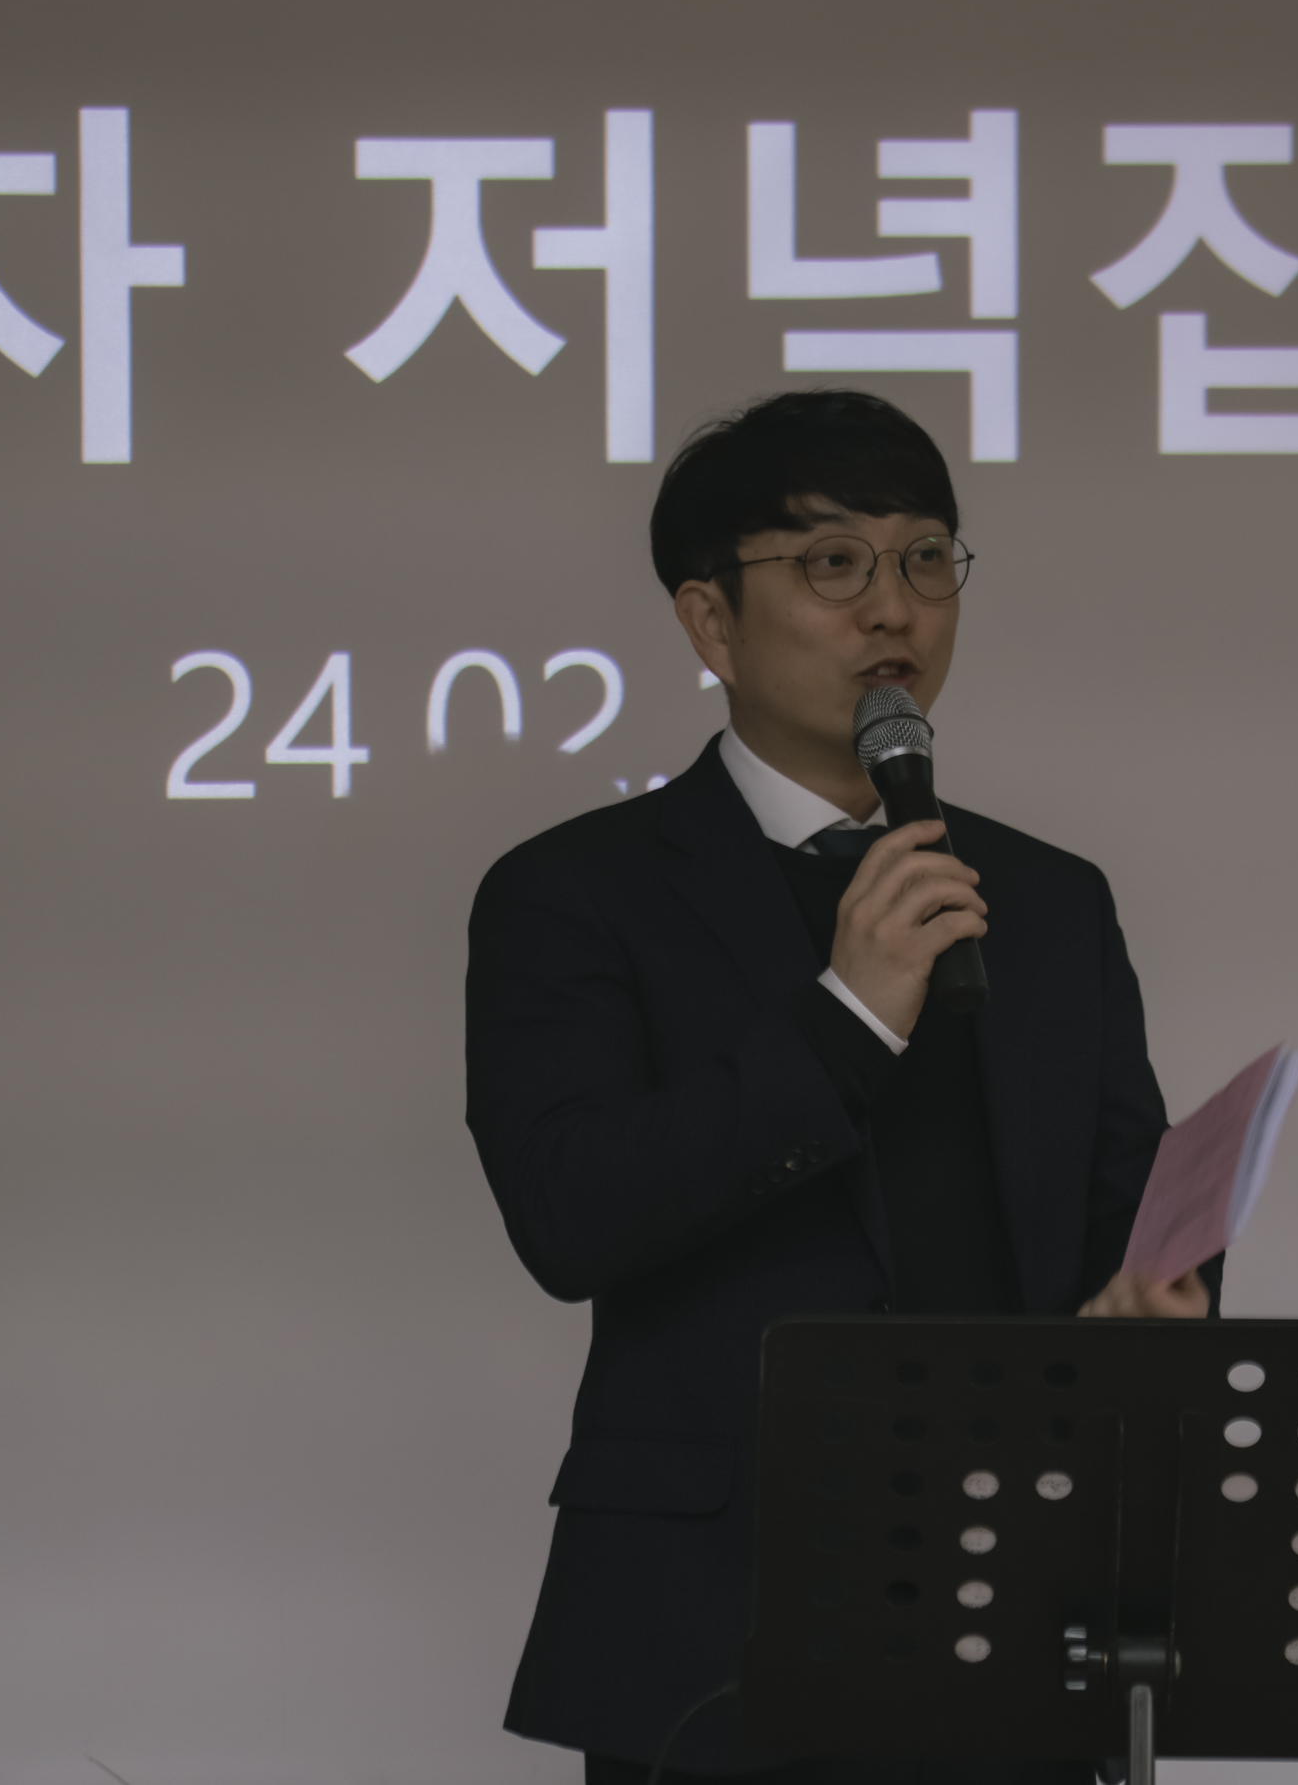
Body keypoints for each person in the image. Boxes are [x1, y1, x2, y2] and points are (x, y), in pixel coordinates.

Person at [466, 389, 1210, 1785]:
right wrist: (844, 1020)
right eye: (832, 563)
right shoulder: (575, 894)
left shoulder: (1049, 900)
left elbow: (1129, 1211)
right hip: (716, 1628)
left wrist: (1145, 1314)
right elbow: (568, 1214)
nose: (894, 608)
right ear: (710, 621)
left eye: (927, 557)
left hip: (1024, 1602)